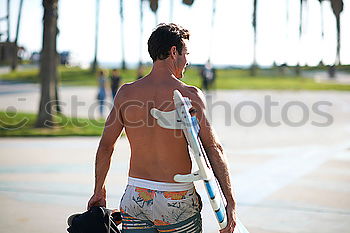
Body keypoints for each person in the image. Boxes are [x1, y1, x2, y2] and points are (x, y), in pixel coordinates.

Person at [87, 23, 236, 233]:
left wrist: (99, 190)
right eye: (186, 53)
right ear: (174, 52)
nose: (187, 61)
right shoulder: (190, 95)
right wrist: (229, 201)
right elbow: (213, 148)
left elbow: (106, 146)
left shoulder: (126, 93)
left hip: (136, 196)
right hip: (176, 199)